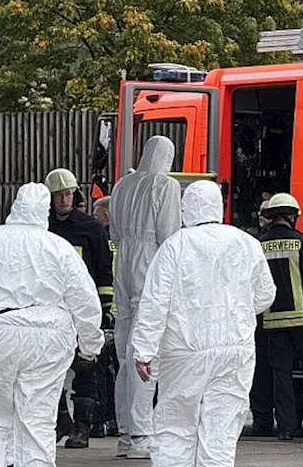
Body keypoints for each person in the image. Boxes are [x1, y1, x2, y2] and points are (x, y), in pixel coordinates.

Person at [0, 183, 104, 467]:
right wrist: (89, 344)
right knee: (37, 420)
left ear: (14, 207)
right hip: (49, 337)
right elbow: (85, 299)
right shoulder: (59, 247)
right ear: (45, 212)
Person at [132, 180, 276, 466]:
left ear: (186, 209)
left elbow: (155, 301)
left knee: (176, 427)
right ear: (218, 207)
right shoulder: (246, 243)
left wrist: (144, 349)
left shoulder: (176, 245)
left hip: (185, 350)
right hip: (235, 349)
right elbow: (266, 294)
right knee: (220, 432)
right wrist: (239, 313)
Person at [110, 137, 182, 459]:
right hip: (149, 263)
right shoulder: (165, 186)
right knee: (145, 351)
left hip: (123, 261)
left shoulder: (122, 185)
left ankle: (125, 433)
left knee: (126, 356)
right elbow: (169, 235)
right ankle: (140, 435)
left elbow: (112, 232)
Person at [45, 167, 114, 449]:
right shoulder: (43, 227)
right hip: (49, 309)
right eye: (59, 195)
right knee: (49, 369)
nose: (64, 199)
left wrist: (106, 308)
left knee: (86, 367)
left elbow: (104, 270)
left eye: (69, 193)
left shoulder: (91, 228)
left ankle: (82, 428)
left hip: (82, 310)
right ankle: (61, 419)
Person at [255, 194, 303, 440]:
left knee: (281, 377)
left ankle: (286, 428)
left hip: (273, 323)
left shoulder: (259, 245)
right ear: (292, 215)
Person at [245, 198, 277, 439]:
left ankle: (263, 421)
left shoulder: (257, 244)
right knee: (285, 376)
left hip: (263, 323)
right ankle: (291, 424)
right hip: (296, 322)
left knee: (261, 374)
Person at [91, 196, 121, 439]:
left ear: (106, 216)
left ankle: (100, 420)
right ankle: (118, 419)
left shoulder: (99, 240)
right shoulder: (127, 241)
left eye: (97, 215)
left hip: (106, 314)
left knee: (100, 370)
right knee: (123, 372)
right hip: (126, 315)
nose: (94, 219)